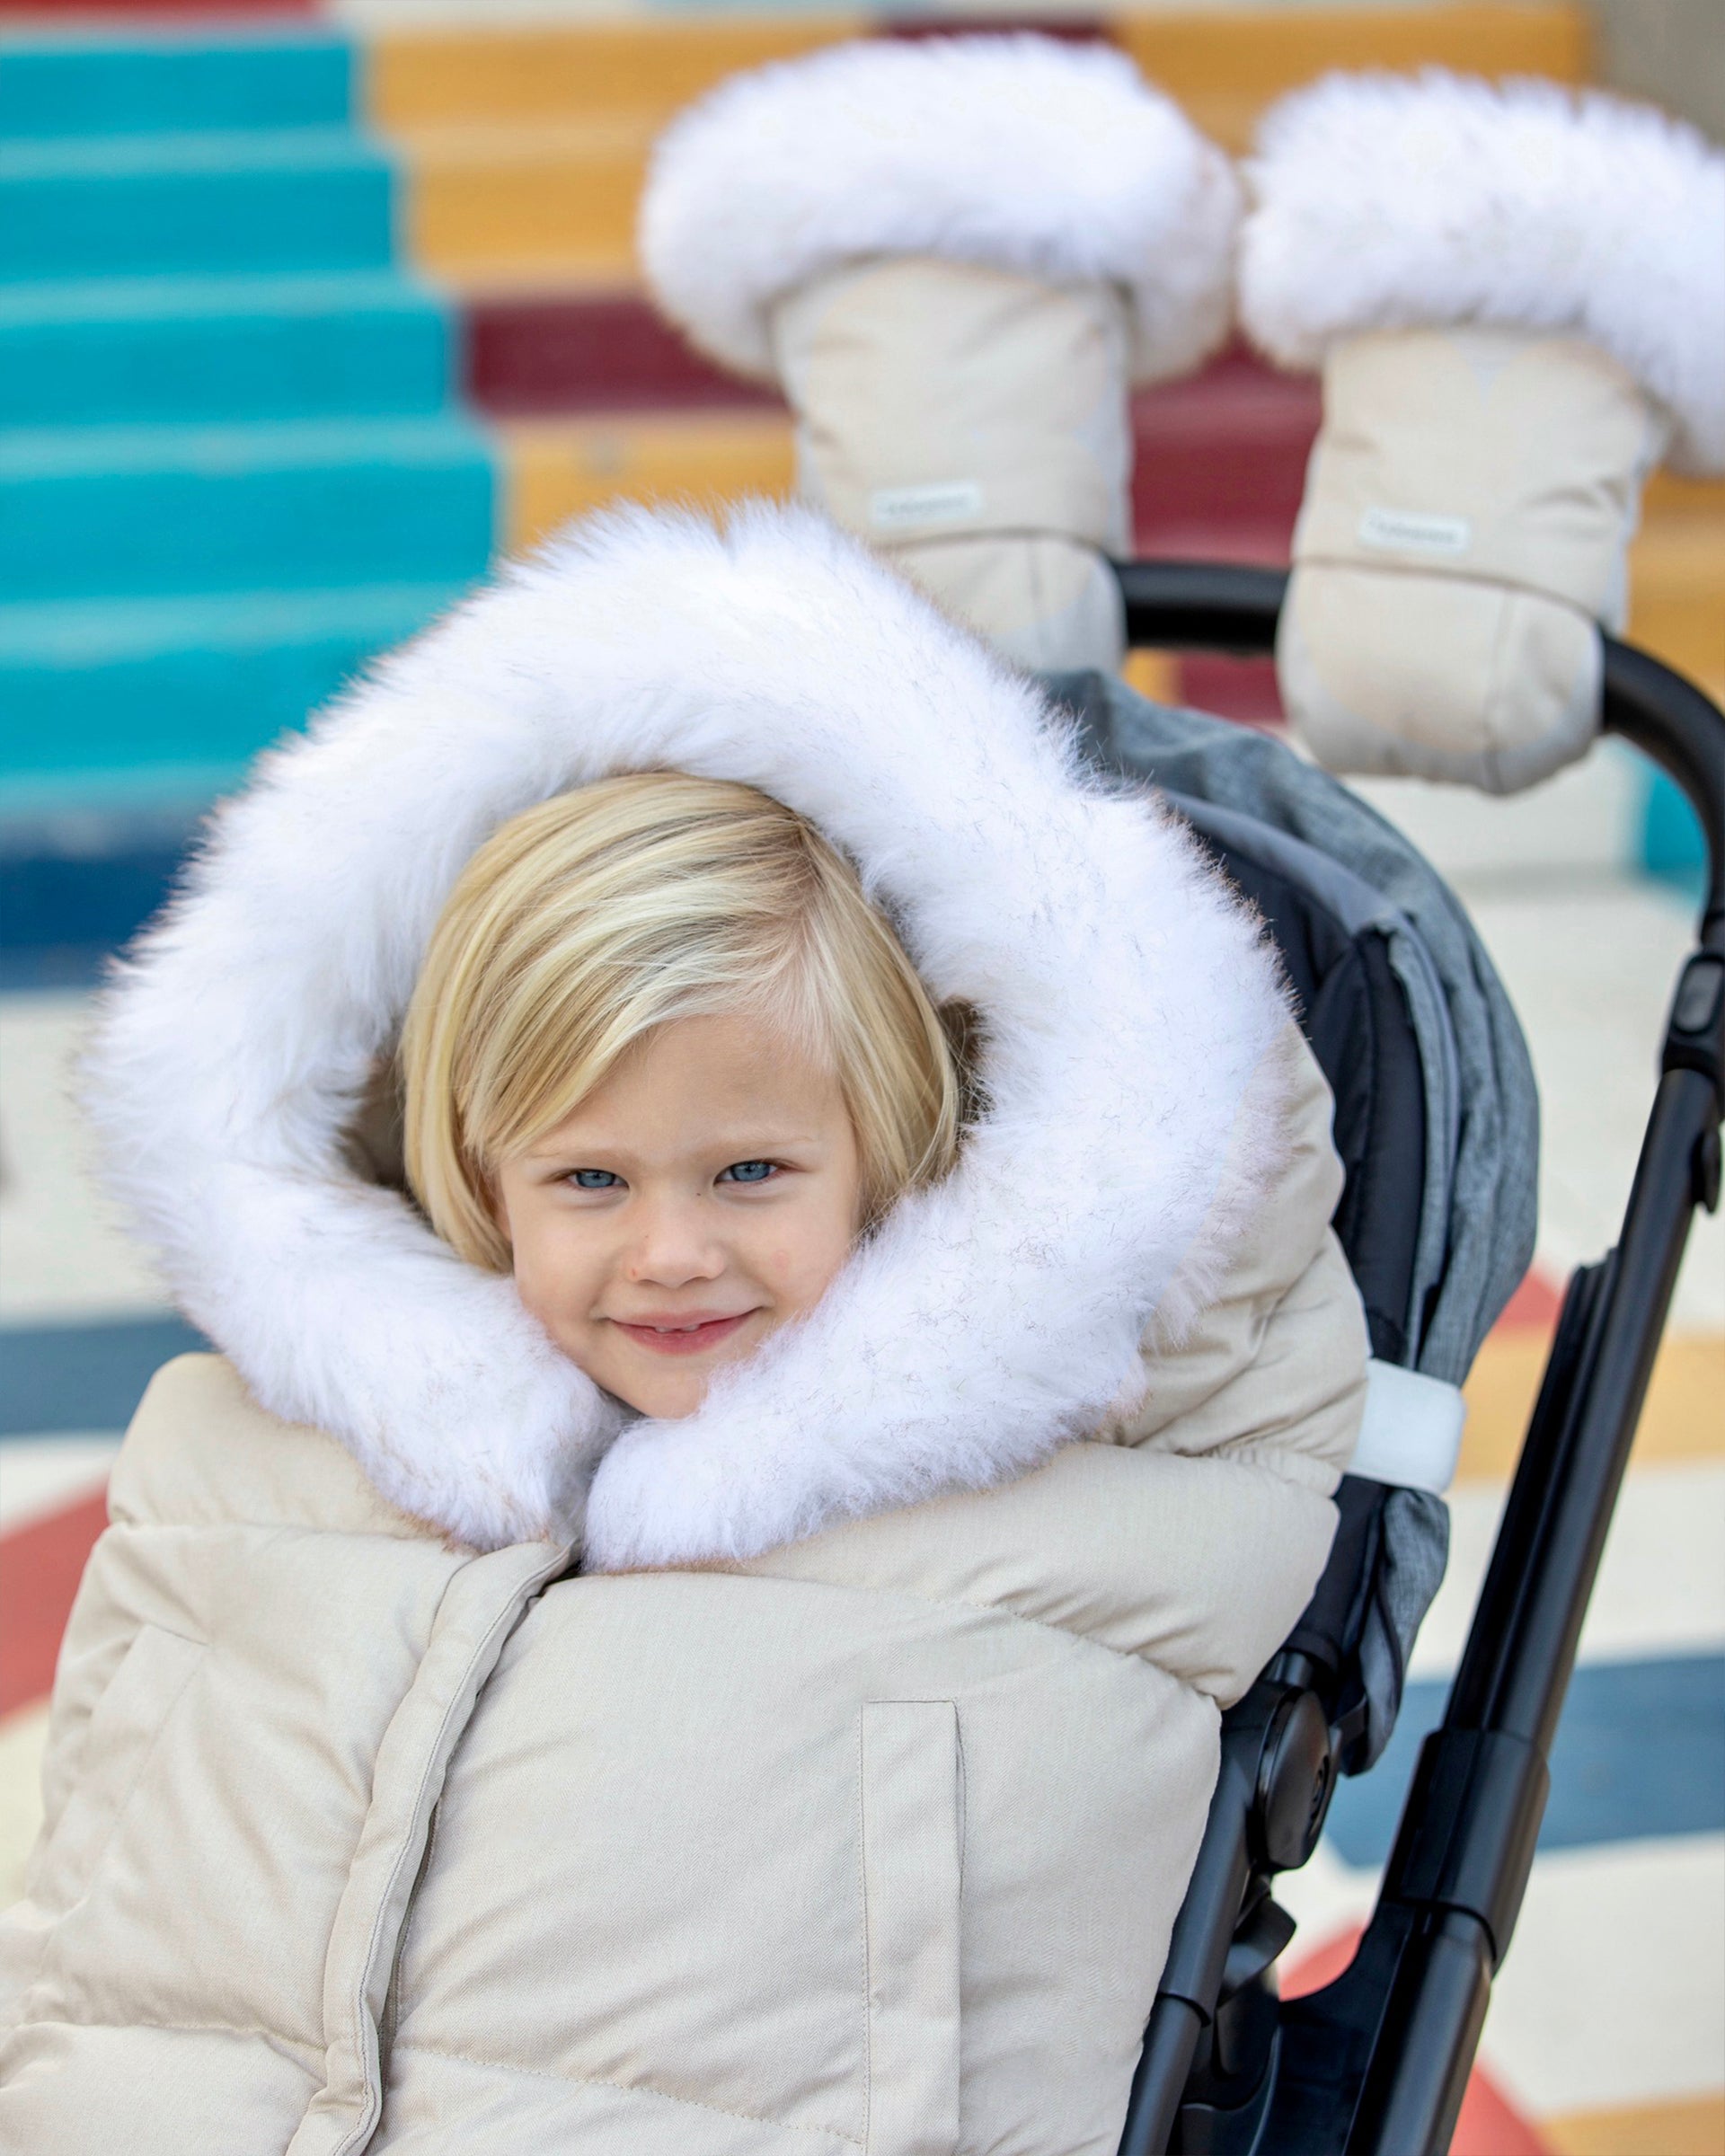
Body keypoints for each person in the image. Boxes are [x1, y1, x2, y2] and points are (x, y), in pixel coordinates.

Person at [1, 503, 1367, 2154]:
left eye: (750, 1169)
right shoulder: (249, 1456)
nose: (669, 1251)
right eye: (587, 1176)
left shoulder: (1090, 1471)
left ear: (902, 1150)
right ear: (473, 1173)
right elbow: (94, 1912)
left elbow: (1226, 1341)